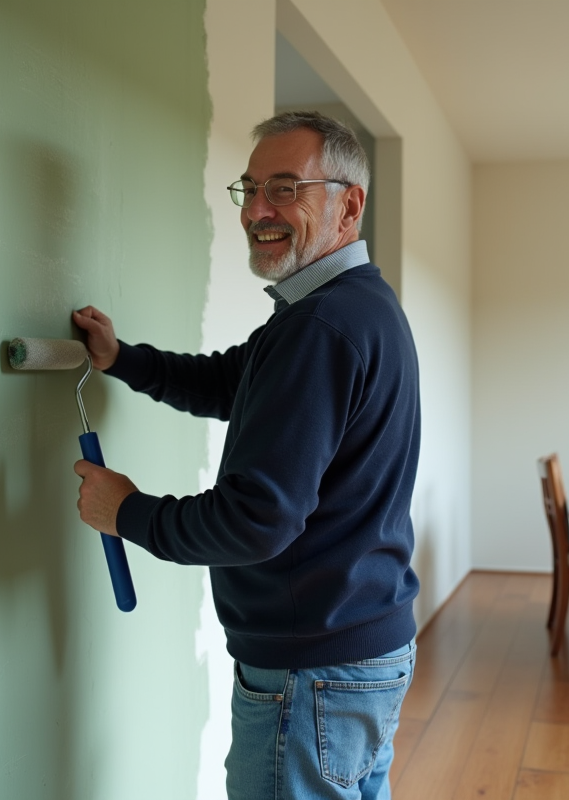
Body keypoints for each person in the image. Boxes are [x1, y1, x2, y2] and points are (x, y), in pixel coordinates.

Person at [71, 110, 421, 800]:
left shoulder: (321, 325)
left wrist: (127, 512)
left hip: (313, 672)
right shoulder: (350, 307)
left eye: (285, 188)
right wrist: (122, 359)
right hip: (360, 651)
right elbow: (233, 381)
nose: (257, 210)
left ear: (349, 206)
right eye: (251, 188)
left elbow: (255, 521)